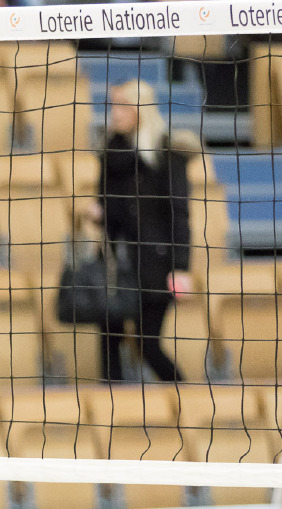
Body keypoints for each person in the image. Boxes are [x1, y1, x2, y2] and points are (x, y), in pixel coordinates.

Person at [99, 78, 192, 383]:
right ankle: (110, 403)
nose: (115, 113)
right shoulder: (111, 152)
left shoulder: (167, 153)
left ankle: (186, 397)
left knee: (147, 344)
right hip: (116, 262)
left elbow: (179, 213)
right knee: (109, 339)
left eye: (123, 105)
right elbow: (108, 206)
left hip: (155, 264)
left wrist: (180, 267)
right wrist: (98, 212)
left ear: (141, 109)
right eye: (113, 105)